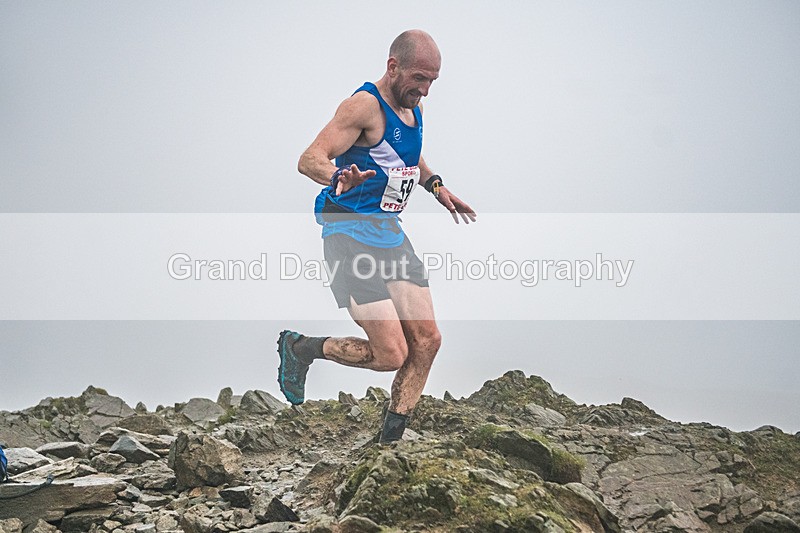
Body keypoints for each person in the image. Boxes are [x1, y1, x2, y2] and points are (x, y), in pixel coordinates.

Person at [277, 29, 476, 443]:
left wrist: (436, 186)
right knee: (391, 354)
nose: (425, 90)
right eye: (419, 78)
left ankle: (390, 444)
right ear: (393, 66)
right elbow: (309, 158)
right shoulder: (363, 106)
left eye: (432, 81)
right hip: (348, 234)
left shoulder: (413, 106)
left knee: (428, 341)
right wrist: (337, 176)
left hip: (389, 233)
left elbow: (406, 154)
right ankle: (301, 349)